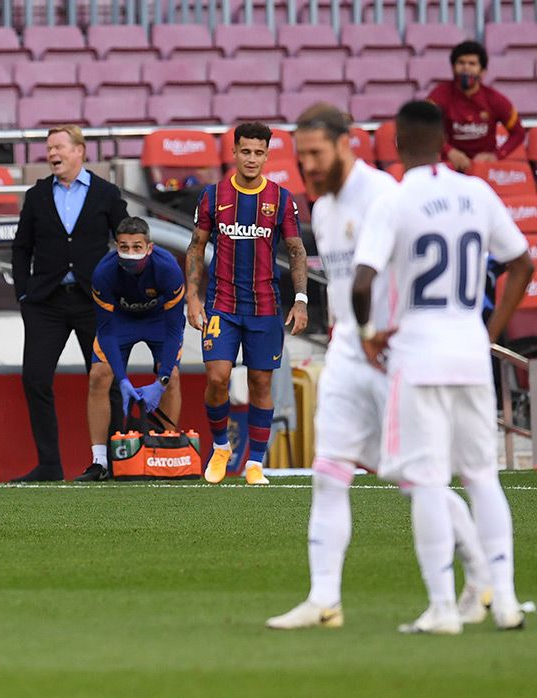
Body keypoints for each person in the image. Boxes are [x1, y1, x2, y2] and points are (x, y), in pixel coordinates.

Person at [267, 103, 494, 630]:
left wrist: (393, 333)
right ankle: (324, 600)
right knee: (329, 470)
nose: (308, 165)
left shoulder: (385, 197)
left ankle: (480, 577)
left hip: (391, 351)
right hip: (348, 346)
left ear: (347, 143)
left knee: (415, 478)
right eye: (301, 156)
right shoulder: (322, 206)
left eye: (316, 153)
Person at [351, 100, 532, 634]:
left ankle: (442, 609)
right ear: (443, 137)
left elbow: (362, 284)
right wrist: (489, 333)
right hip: (470, 351)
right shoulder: (477, 191)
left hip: (417, 353)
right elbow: (522, 263)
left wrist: (366, 337)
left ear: (398, 142)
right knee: (482, 477)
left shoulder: (396, 198)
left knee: (428, 480)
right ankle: (505, 602)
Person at [186, 121, 309, 487]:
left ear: (266, 155)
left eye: (259, 152)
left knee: (259, 382)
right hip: (222, 303)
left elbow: (296, 250)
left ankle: (255, 463)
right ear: (234, 152)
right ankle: (221, 446)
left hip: (265, 306)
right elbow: (196, 246)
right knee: (218, 378)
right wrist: (192, 297)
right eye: (245, 151)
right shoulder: (212, 196)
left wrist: (301, 300)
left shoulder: (281, 199)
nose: (251, 158)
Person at [11, 125, 130, 482]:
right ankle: (49, 464)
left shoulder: (107, 193)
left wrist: (121, 290)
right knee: (35, 378)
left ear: (80, 151)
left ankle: (114, 461)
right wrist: (23, 293)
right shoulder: (36, 195)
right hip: (45, 303)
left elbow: (127, 239)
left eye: (59, 147)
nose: (52, 154)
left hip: (93, 301)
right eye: (48, 148)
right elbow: (21, 248)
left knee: (105, 380)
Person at [78, 216, 185, 482]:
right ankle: (99, 460)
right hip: (120, 321)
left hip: (159, 321)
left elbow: (174, 331)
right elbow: (107, 331)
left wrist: (159, 383)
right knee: (98, 376)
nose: (130, 253)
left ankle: (165, 453)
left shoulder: (169, 269)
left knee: (171, 377)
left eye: (137, 247)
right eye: (124, 247)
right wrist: (123, 379)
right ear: (116, 247)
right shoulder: (103, 272)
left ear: (149, 247)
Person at [426, 40, 526, 172]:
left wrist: (496, 156)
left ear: (483, 71)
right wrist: (448, 151)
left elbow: (518, 133)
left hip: (485, 169)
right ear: (453, 68)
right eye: (461, 63)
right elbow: (424, 127)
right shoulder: (439, 95)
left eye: (472, 64)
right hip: (450, 167)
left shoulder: (495, 99)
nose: (466, 68)